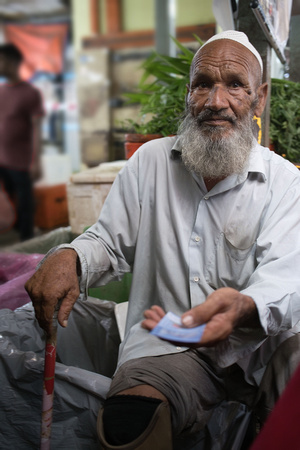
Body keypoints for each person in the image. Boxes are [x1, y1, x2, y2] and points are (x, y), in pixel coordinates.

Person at [25, 30, 300, 449]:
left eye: (234, 85)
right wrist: (70, 256)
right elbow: (108, 242)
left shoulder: (286, 183)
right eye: (203, 83)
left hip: (259, 350)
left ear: (259, 98)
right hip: (168, 346)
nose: (215, 101)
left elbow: (287, 279)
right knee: (131, 423)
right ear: (189, 93)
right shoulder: (149, 162)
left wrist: (245, 306)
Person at [0, 43, 44, 241]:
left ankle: (27, 243)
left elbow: (36, 129)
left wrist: (36, 161)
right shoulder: (1, 91)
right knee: (4, 205)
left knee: (25, 205)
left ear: (13, 62)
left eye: (2, 60)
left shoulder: (30, 93)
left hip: (21, 161)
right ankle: (9, 243)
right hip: (1, 159)